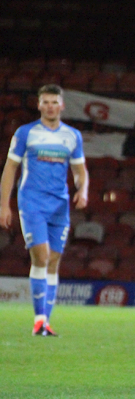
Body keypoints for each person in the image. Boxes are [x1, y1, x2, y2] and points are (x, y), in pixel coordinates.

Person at [0, 84, 88, 336]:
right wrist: (4, 204)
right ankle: (39, 319)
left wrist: (82, 190)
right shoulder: (26, 133)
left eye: (54, 102)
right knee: (41, 257)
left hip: (59, 205)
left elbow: (80, 171)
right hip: (32, 202)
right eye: (45, 102)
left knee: (54, 261)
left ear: (62, 105)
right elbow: (10, 169)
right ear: (39, 105)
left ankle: (44, 322)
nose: (50, 106)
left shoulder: (72, 136)